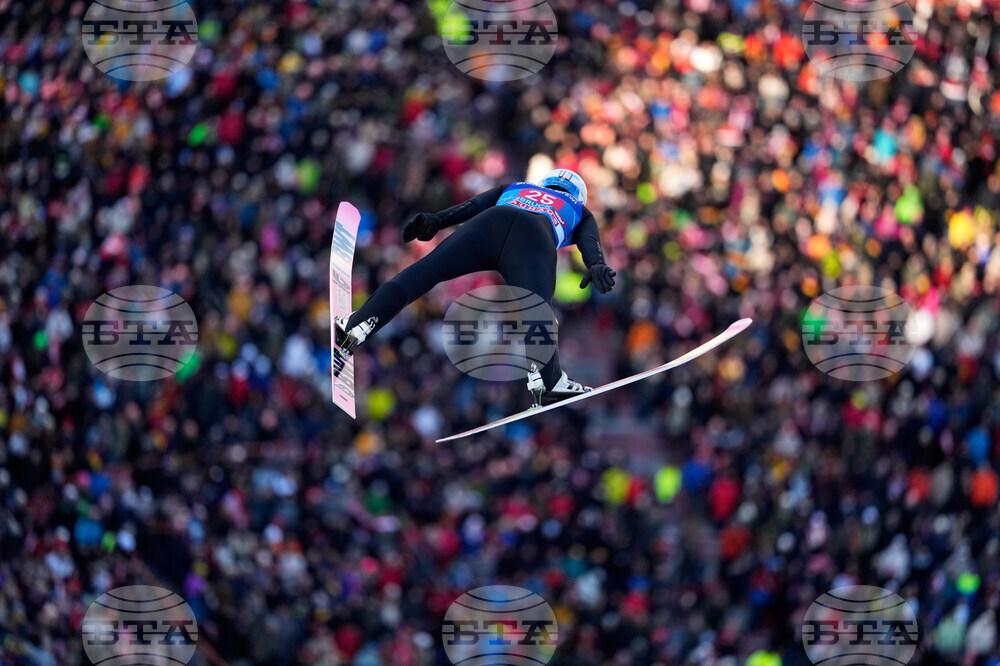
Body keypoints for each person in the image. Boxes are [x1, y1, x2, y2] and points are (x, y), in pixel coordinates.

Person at [335, 169, 616, 405]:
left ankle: (357, 324)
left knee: (423, 274)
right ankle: (547, 380)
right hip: (534, 237)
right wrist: (596, 265)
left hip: (490, 224)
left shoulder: (518, 186)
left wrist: (437, 220)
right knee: (538, 310)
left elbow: (473, 206)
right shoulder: (579, 208)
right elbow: (589, 242)